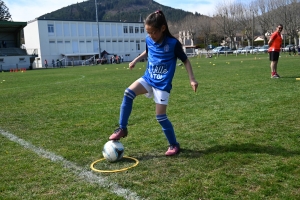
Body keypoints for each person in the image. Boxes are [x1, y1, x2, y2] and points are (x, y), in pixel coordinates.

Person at [108, 10, 198, 156]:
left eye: (153, 32)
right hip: (148, 78)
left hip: (162, 84)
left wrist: (192, 79)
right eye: (148, 33)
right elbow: (148, 51)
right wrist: (136, 60)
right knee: (128, 93)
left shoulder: (173, 43)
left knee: (160, 117)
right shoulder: (149, 39)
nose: (151, 36)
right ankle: (122, 128)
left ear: (163, 28)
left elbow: (186, 61)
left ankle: (174, 145)